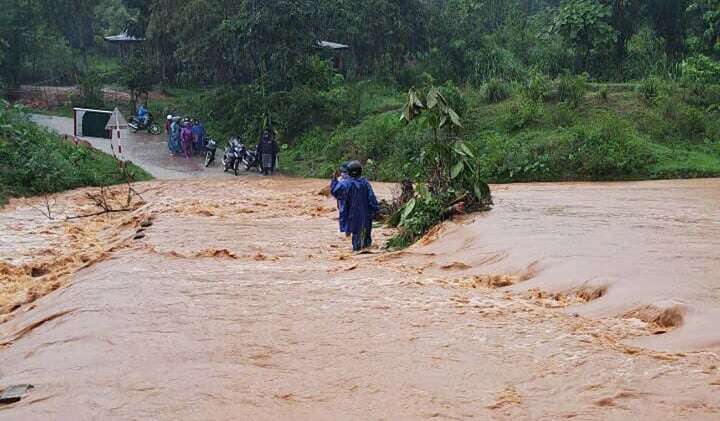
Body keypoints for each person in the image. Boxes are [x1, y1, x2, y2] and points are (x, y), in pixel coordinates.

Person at [331, 161, 379, 252]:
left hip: (352, 216)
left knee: (357, 237)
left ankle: (358, 252)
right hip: (366, 216)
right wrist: (376, 211)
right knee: (366, 236)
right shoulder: (365, 183)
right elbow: (372, 198)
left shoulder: (345, 184)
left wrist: (334, 179)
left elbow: (335, 192)